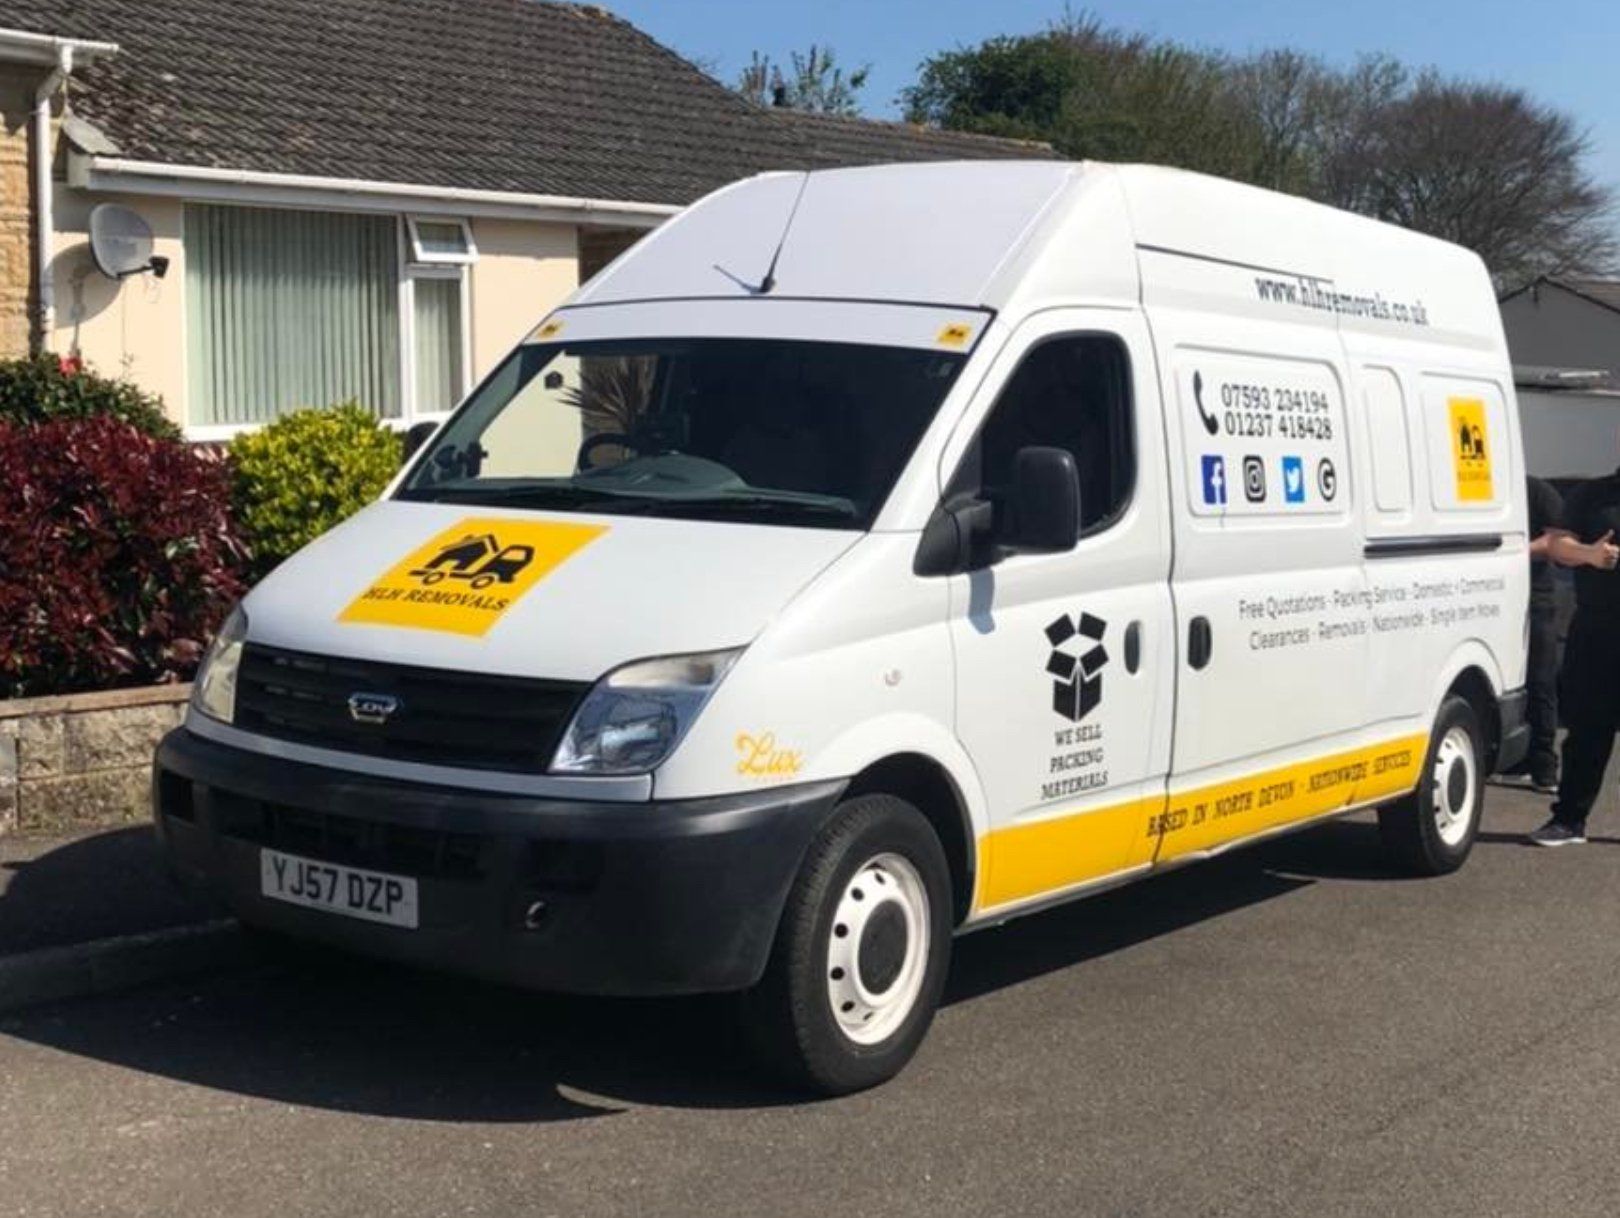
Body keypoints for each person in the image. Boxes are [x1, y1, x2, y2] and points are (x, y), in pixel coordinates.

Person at [1528, 464, 1620, 846]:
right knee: (1587, 730)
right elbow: (1556, 545)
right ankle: (1568, 820)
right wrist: (1590, 554)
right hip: (1598, 629)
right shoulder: (1593, 493)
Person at [1506, 476, 1564, 792]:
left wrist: (1516, 551)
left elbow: (1556, 540)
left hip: (1536, 600)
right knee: (1512, 680)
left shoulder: (1536, 491)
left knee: (1540, 681)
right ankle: (1518, 760)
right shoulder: (1491, 490)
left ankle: (1545, 768)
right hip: (1499, 598)